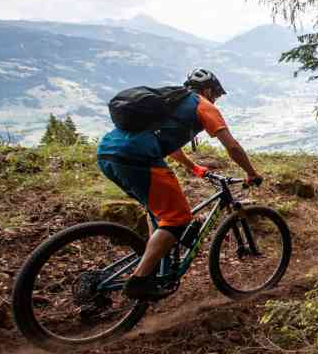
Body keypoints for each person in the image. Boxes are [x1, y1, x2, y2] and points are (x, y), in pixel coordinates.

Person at [97, 68, 263, 300]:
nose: (215, 99)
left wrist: (193, 167)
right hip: (137, 158)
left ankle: (155, 263)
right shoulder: (204, 105)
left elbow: (170, 146)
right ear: (208, 90)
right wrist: (251, 173)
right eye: (216, 95)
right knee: (178, 218)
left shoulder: (171, 102)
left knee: (158, 212)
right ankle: (139, 281)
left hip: (107, 155)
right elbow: (232, 147)